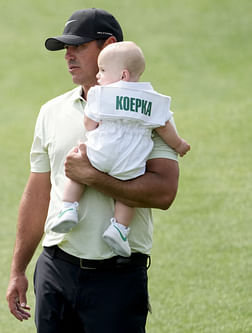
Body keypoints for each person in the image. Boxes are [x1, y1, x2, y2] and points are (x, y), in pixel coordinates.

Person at [6, 8, 181, 332]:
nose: (68, 56)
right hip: (56, 268)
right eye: (65, 50)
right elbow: (38, 192)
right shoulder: (51, 111)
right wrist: (18, 268)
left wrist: (93, 178)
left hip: (117, 276)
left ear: (109, 46)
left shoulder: (149, 111)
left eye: (78, 46)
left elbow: (164, 191)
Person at [51, 41, 190, 258]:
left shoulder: (101, 94)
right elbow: (164, 126)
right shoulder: (152, 99)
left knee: (79, 166)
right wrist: (179, 144)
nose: (99, 75)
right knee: (128, 191)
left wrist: (92, 125)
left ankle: (68, 208)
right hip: (131, 159)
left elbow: (90, 123)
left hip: (101, 152)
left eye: (103, 70)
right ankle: (119, 228)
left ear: (123, 75)